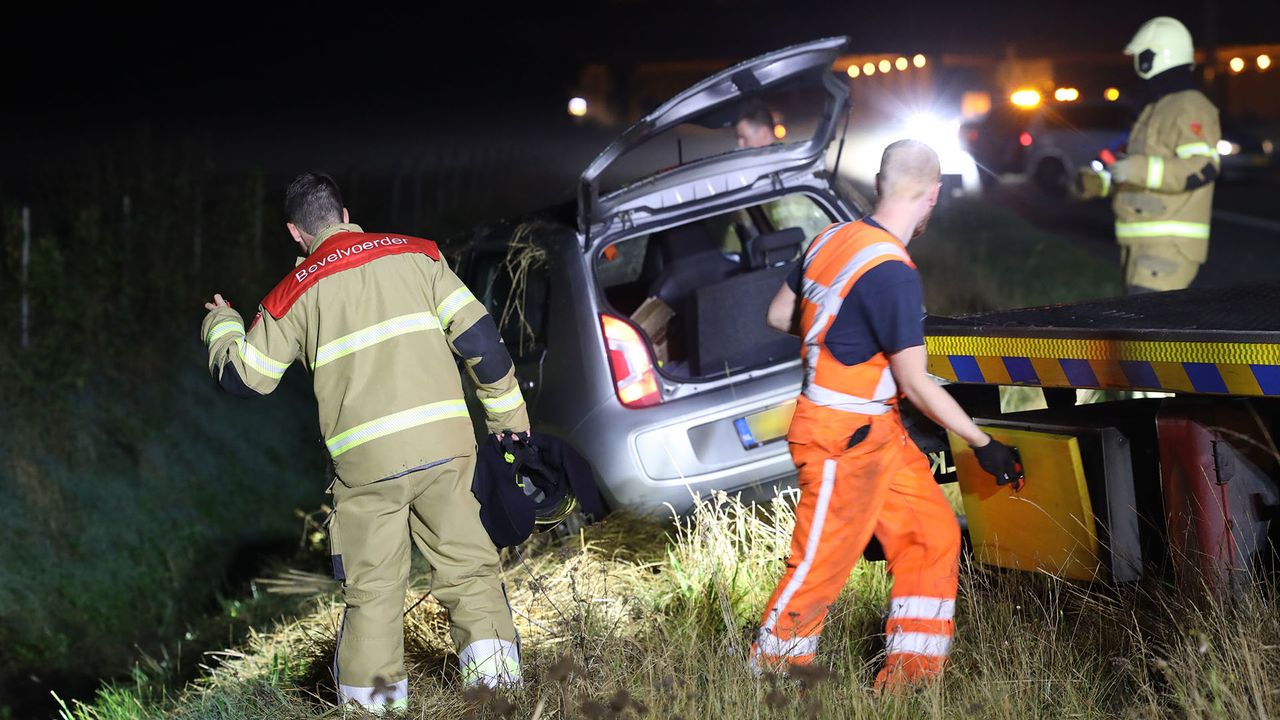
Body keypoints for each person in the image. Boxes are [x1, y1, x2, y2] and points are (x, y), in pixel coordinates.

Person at [200, 172, 527, 713]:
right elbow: (482, 344)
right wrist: (509, 423)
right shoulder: (419, 256)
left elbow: (244, 377)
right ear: (345, 213)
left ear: (294, 232)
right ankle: (497, 701)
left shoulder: (294, 292)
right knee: (471, 573)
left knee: (373, 595)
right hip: (447, 449)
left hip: (367, 469)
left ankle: (374, 708)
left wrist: (223, 325)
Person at [752, 140, 1020, 689]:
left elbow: (780, 314)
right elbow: (916, 383)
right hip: (841, 436)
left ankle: (912, 676)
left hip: (876, 432)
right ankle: (771, 680)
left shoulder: (831, 238)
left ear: (879, 183)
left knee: (932, 535)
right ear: (934, 195)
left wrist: (835, 333)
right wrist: (982, 442)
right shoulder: (893, 270)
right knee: (820, 565)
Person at [1075, 16, 1220, 294]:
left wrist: (1136, 169)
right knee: (1142, 331)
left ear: (1155, 56)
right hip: (1138, 244)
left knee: (1147, 334)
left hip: (1167, 248)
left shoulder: (1190, 106)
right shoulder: (1154, 109)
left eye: (1141, 55)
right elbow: (1134, 168)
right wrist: (1101, 182)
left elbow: (1203, 167)